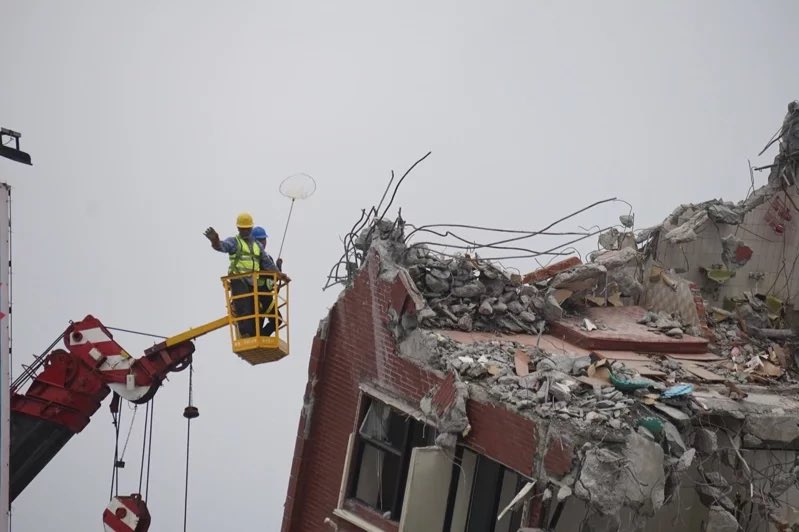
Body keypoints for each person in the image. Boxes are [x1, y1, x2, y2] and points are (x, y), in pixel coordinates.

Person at [204, 213, 282, 338]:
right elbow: (222, 246)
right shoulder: (235, 242)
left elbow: (268, 265)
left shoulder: (258, 248)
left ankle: (258, 337)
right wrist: (215, 241)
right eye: (242, 229)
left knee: (274, 319)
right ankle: (248, 335)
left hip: (255, 286)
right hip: (239, 279)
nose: (245, 231)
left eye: (264, 239)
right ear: (238, 229)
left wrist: (279, 273)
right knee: (246, 309)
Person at [252, 225, 283, 336]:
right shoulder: (258, 258)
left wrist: (278, 267)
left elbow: (273, 277)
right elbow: (272, 274)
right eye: (260, 240)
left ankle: (261, 337)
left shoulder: (266, 257)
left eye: (264, 239)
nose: (263, 242)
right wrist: (278, 268)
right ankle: (261, 337)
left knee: (275, 320)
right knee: (276, 320)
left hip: (265, 294)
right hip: (261, 295)